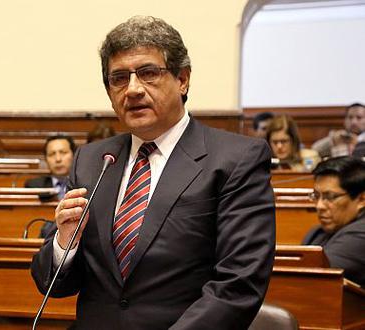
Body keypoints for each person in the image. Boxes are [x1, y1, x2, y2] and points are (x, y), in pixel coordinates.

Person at [30, 16, 275, 329]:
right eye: (118, 78)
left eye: (148, 73)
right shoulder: (93, 161)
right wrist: (65, 242)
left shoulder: (235, 159)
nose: (132, 90)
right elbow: (54, 284)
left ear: (182, 79)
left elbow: (238, 284)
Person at [302, 157, 365, 286]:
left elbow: (310, 279)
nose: (319, 206)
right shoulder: (316, 233)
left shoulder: (361, 234)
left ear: (361, 200)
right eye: (316, 196)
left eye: (330, 197)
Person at [25, 135, 76, 202]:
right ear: (46, 159)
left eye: (63, 152)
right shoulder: (34, 186)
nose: (58, 159)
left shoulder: (84, 184)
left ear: (74, 155)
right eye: (51, 154)